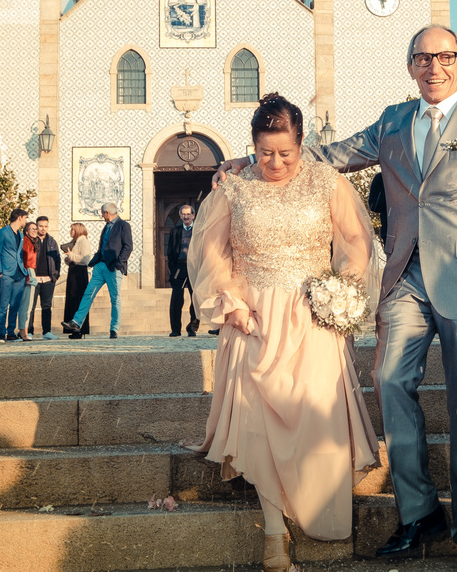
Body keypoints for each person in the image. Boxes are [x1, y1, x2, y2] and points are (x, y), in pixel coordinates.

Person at [214, 25, 457, 572]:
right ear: (410, 66)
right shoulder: (393, 120)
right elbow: (326, 154)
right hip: (406, 277)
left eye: (445, 57)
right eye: (423, 58)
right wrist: (254, 160)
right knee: (389, 380)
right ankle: (419, 512)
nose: (434, 66)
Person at [186, 93, 381, 572]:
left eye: (285, 152)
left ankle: (315, 507)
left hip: (314, 316)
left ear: (301, 145)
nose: (274, 162)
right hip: (252, 316)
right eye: (265, 152)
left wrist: (342, 292)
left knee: (314, 417)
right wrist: (232, 306)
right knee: (259, 423)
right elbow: (213, 254)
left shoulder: (326, 182)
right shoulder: (232, 186)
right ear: (252, 145)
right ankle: (274, 536)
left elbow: (356, 240)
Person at [61, 202, 132, 339]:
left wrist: (119, 264)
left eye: (102, 214)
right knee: (88, 294)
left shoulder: (123, 226)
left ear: (107, 213)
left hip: (113, 268)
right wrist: (95, 262)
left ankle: (114, 328)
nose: (102, 217)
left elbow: (128, 247)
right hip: (100, 267)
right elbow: (103, 247)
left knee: (115, 298)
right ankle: (76, 322)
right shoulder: (106, 227)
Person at [0, 208, 28, 342]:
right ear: (19, 217)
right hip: (6, 273)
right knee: (4, 304)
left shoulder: (20, 234)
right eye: (25, 218)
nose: (26, 221)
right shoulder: (2, 232)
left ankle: (11, 333)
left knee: (15, 305)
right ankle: (2, 334)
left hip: (19, 273)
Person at [166, 204, 200, 337]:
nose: (186, 216)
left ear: (193, 215)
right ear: (180, 216)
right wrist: (173, 270)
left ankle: (192, 327)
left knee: (195, 299)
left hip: (194, 268)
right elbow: (170, 251)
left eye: (188, 214)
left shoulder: (198, 230)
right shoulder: (175, 230)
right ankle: (175, 329)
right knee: (176, 300)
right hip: (179, 268)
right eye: (183, 214)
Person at [27, 216, 61, 340]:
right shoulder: (30, 240)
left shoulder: (52, 241)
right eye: (41, 226)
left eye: (45, 226)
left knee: (46, 306)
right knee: (31, 307)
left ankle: (47, 332)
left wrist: (55, 275)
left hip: (48, 279)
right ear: (36, 226)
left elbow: (57, 259)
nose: (43, 229)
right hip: (34, 278)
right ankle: (29, 331)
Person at [61, 222, 92, 338]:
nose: (70, 232)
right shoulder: (76, 242)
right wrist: (68, 258)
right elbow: (74, 257)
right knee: (72, 299)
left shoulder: (83, 241)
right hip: (73, 272)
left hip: (79, 273)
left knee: (77, 299)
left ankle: (79, 329)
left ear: (78, 230)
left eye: (72, 230)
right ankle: (73, 330)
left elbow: (86, 259)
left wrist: (71, 255)